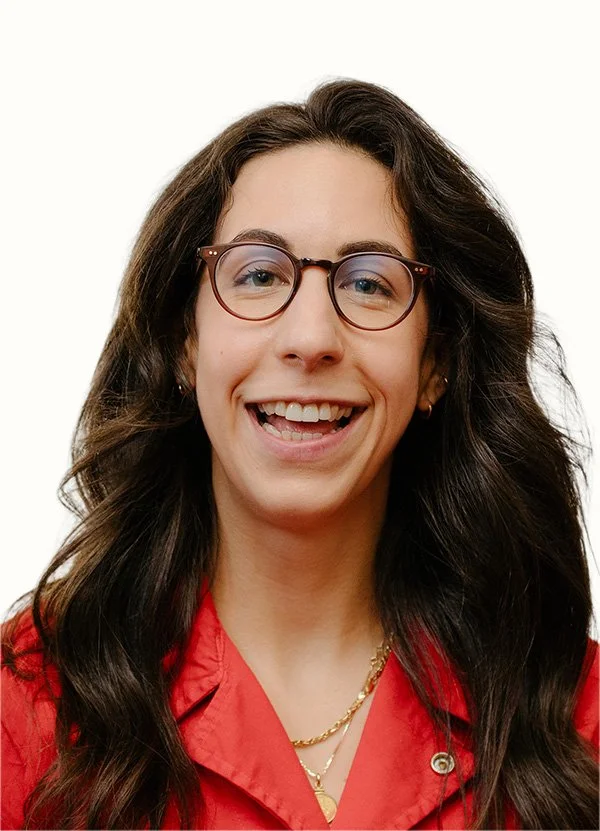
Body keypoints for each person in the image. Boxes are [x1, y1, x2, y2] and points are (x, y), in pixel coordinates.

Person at [1, 78, 598, 831]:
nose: (311, 337)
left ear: (436, 362)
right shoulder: (29, 704)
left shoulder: (572, 713)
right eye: (257, 274)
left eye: (371, 284)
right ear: (185, 344)